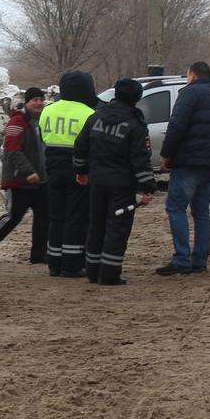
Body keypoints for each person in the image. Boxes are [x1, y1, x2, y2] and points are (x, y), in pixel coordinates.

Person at [73, 79, 156, 286]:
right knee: (117, 228)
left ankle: (93, 271)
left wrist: (81, 171)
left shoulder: (96, 117)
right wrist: (148, 187)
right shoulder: (135, 125)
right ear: (137, 99)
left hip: (97, 183)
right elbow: (141, 160)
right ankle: (109, 274)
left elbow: (81, 145)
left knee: (96, 225)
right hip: (122, 186)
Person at [157, 62, 210, 276]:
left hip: (189, 161)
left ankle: (181, 258)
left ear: (192, 76)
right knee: (201, 212)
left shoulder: (189, 93)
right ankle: (200, 260)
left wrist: (167, 155)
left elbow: (177, 125)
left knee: (175, 207)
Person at [0, 87, 48, 264]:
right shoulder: (17, 122)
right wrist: (28, 171)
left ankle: (39, 254)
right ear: (27, 102)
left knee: (44, 215)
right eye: (35, 100)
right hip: (19, 179)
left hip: (40, 180)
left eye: (41, 99)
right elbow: (12, 150)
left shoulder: (40, 121)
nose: (39, 103)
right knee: (13, 216)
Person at [39, 71, 97, 277]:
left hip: (52, 170)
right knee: (76, 218)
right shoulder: (88, 112)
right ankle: (71, 265)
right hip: (78, 172)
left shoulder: (47, 111)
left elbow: (43, 138)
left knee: (56, 216)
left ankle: (54, 262)